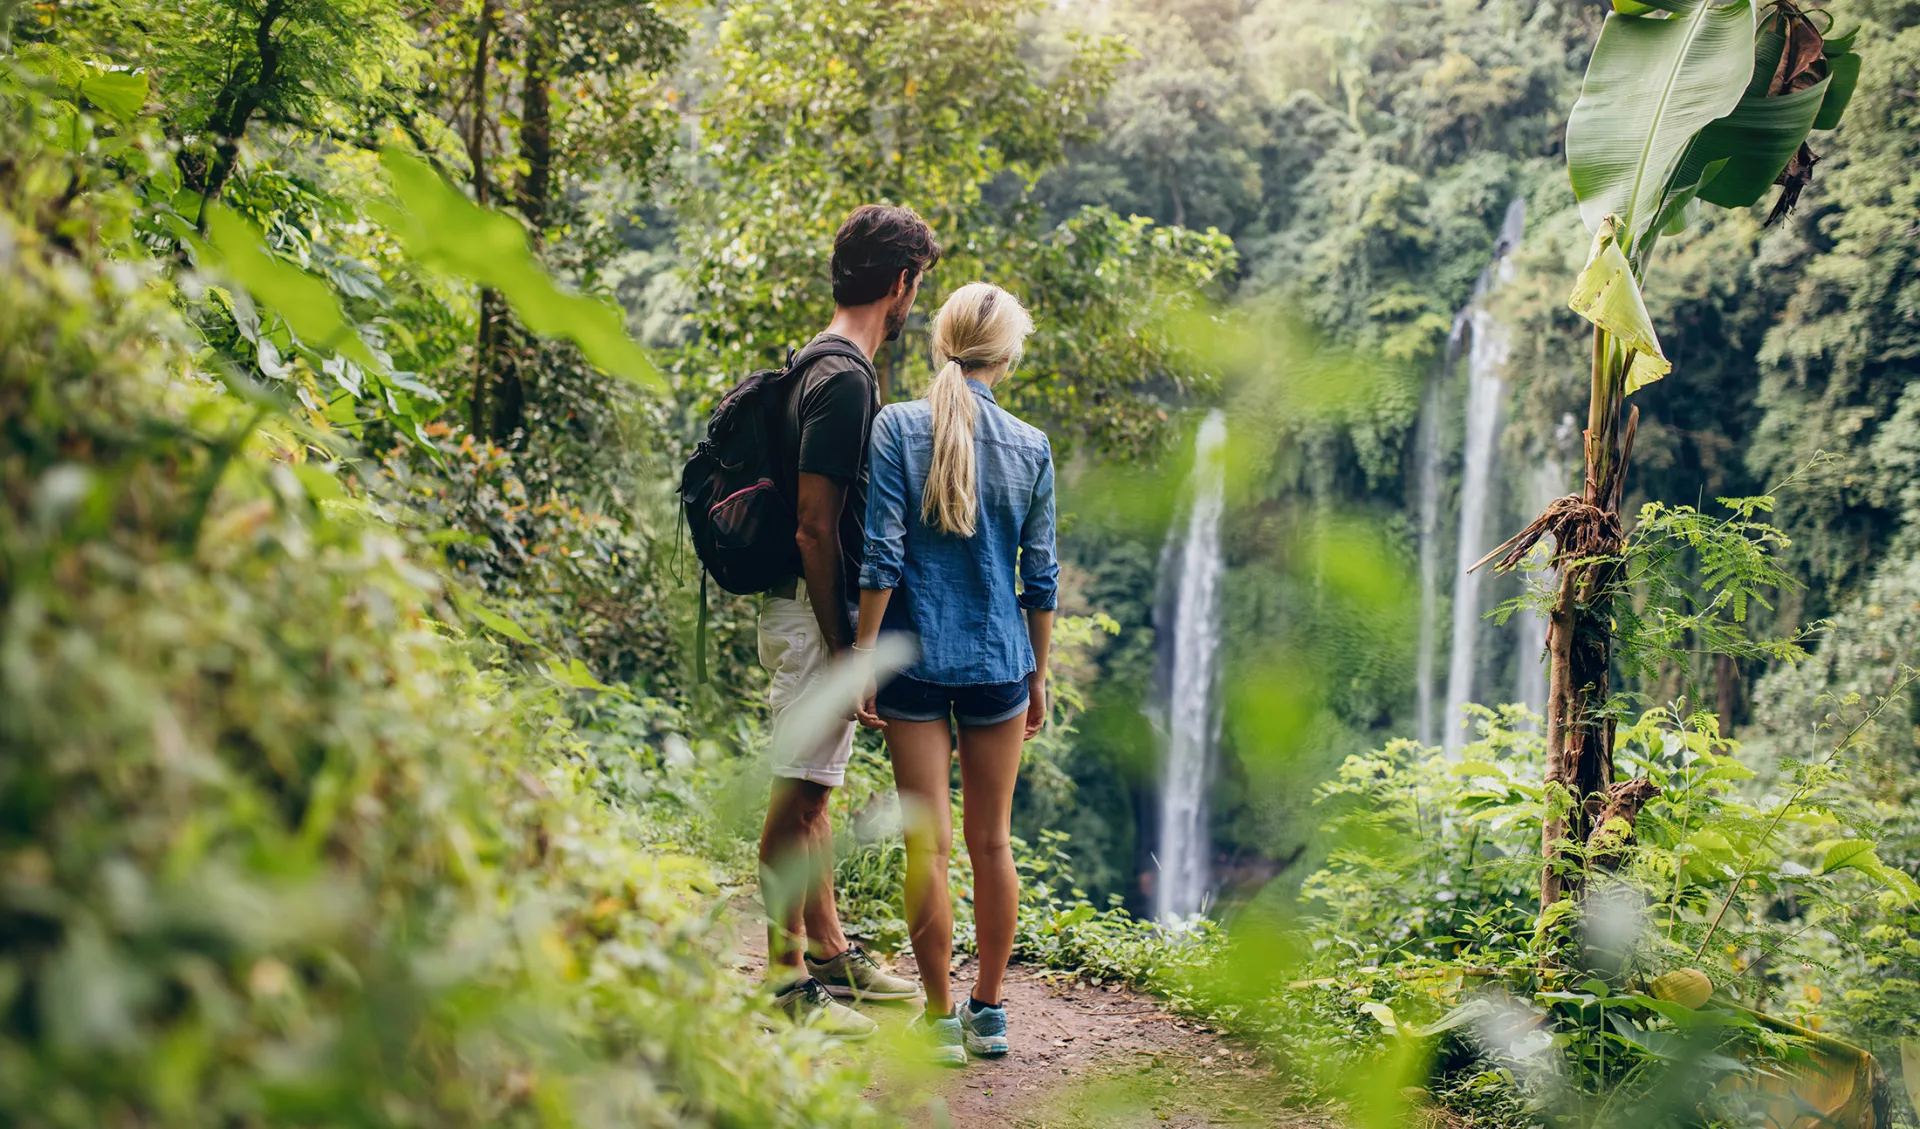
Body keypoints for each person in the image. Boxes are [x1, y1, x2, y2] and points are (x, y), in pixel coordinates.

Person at [853, 283, 1057, 1065]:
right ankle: (990, 1012)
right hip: (999, 663)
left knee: (926, 849)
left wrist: (866, 657)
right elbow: (1039, 577)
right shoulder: (1031, 445)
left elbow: (881, 555)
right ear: (1007, 356)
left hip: (911, 658)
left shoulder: (897, 426)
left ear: (942, 344)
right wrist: (1038, 673)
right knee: (992, 844)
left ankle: (939, 1019)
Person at [759, 205, 939, 1036]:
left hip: (804, 609)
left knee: (816, 788)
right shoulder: (846, 379)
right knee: (796, 798)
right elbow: (813, 524)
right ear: (899, 284)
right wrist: (846, 650)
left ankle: (829, 954)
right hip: (813, 612)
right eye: (916, 288)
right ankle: (786, 983)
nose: (914, 307)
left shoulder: (818, 362)